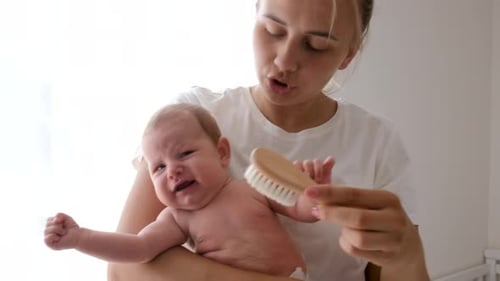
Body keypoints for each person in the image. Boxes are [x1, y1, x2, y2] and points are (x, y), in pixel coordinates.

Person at [108, 0, 431, 280]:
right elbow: (124, 271)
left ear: (348, 53)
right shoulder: (196, 117)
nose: (285, 62)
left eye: (316, 45)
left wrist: (407, 255)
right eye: (273, 30)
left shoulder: (376, 142)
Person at [44, 103, 333, 280]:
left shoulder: (251, 189)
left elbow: (302, 213)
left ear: (222, 153)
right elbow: (138, 249)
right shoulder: (177, 219)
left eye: (184, 154)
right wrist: (81, 238)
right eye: (157, 168)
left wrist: (314, 192)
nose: (172, 171)